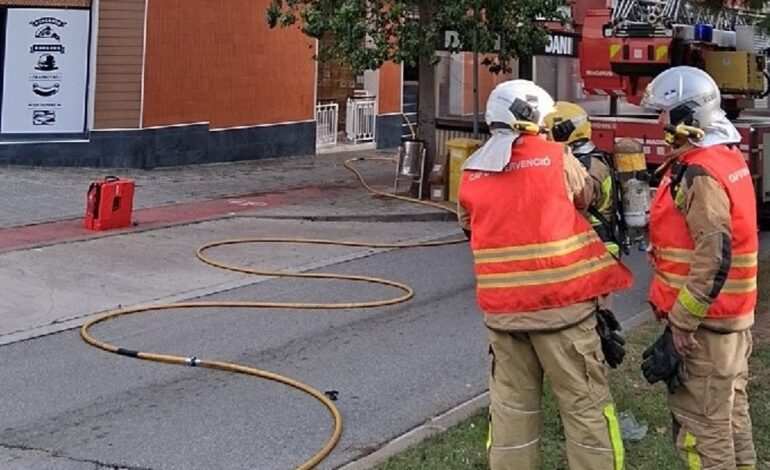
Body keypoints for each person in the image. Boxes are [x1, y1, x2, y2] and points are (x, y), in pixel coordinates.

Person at [457, 80, 632, 469]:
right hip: (563, 314)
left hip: (504, 317)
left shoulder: (472, 168)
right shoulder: (556, 156)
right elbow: (586, 196)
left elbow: (468, 225)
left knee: (511, 416)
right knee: (586, 411)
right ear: (533, 117)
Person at [639, 66, 758, 469]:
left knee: (702, 431)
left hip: (704, 330)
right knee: (731, 419)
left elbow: (714, 251)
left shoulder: (700, 173)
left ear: (686, 116)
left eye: (664, 112)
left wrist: (682, 322)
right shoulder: (724, 157)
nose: (659, 121)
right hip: (729, 321)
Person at [544, 101, 625, 258]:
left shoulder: (588, 166)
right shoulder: (591, 160)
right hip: (594, 247)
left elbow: (576, 203)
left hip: (594, 249)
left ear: (562, 132)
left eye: (546, 130)